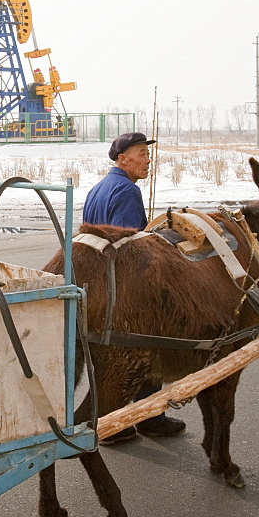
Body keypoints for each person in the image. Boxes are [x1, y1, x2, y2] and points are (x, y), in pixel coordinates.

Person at [81, 131, 187, 444]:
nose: (148, 159)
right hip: (123, 286)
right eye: (142, 153)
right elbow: (130, 247)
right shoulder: (126, 190)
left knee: (105, 358)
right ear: (122, 159)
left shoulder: (98, 188)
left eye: (148, 153)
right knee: (148, 349)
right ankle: (148, 418)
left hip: (99, 282)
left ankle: (122, 420)